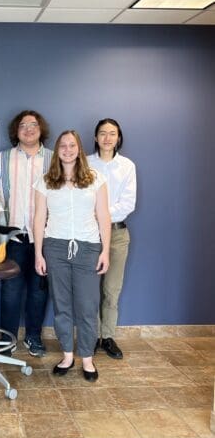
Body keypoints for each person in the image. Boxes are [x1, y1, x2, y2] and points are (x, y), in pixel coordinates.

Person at [34, 130, 110, 382]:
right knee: (62, 306)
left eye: (72, 145)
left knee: (88, 307)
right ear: (57, 151)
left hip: (88, 248)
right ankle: (67, 355)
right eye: (63, 146)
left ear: (79, 148)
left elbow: (104, 217)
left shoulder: (95, 179)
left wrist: (105, 251)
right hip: (55, 247)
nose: (68, 149)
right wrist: (38, 254)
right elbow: (38, 219)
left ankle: (87, 358)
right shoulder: (45, 180)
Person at [0, 110, 52, 357]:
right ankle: (6, 340)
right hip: (14, 238)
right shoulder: (3, 159)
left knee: (39, 290)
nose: (29, 129)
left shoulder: (54, 160)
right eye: (23, 125)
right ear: (16, 131)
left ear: (41, 129)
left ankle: (33, 337)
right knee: (10, 292)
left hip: (46, 237)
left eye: (33, 124)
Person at [88, 119, 136, 359]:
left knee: (111, 290)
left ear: (118, 138)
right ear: (95, 137)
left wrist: (102, 215)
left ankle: (107, 337)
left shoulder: (127, 166)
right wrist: (97, 217)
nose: (107, 138)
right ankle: (92, 336)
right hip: (89, 234)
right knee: (89, 291)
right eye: (102, 133)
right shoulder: (84, 163)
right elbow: (80, 198)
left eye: (112, 134)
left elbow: (128, 204)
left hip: (117, 234)